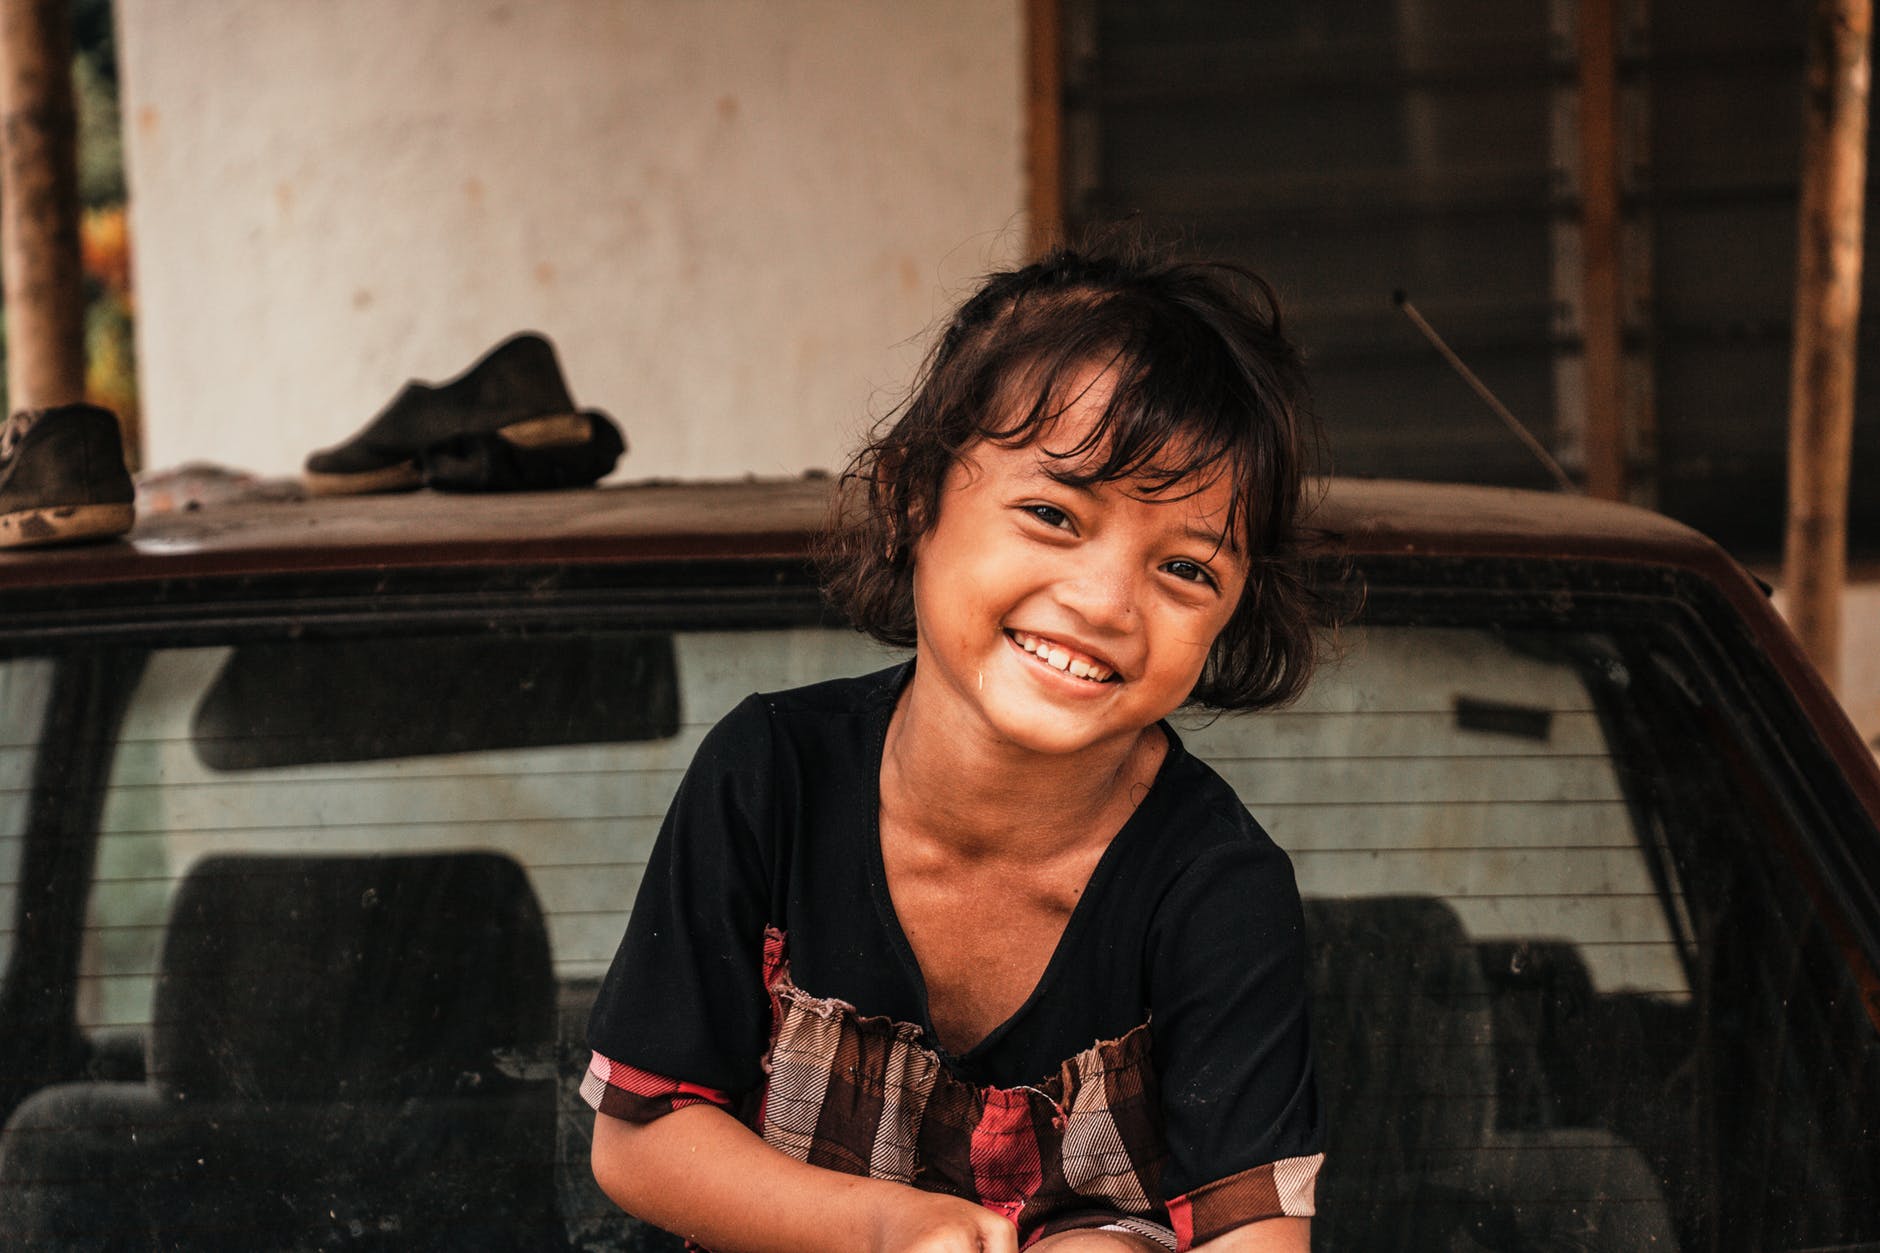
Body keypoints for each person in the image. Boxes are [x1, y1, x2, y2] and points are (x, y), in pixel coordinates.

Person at [585, 247, 1326, 1252]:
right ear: (910, 498)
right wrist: (892, 1228)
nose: (1105, 602)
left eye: (1185, 567)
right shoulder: (770, 777)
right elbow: (639, 1141)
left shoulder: (1216, 888)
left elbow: (1256, 1241)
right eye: (1054, 514)